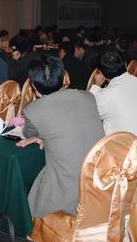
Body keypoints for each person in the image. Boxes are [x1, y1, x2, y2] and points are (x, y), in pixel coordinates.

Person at [17, 55, 104, 218]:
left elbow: (28, 133)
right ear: (64, 77)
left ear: (34, 87)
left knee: (34, 190)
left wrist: (42, 136)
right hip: (99, 183)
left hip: (68, 194)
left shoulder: (34, 110)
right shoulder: (88, 97)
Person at [90, 51, 137, 171]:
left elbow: (87, 111)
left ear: (102, 74)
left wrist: (96, 85)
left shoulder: (106, 96)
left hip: (131, 169)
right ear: (124, 64)